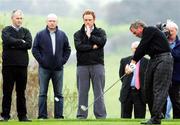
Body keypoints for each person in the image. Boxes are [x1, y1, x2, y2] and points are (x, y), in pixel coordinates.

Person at [126, 20, 173, 124]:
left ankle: (156, 118)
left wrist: (132, 63)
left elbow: (141, 47)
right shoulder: (147, 38)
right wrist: (132, 66)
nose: (135, 35)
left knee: (158, 89)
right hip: (154, 59)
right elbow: (142, 51)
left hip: (164, 59)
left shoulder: (150, 30)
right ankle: (155, 116)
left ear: (140, 28)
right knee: (147, 88)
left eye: (134, 32)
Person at [32, 13, 71, 119]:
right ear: (47, 22)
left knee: (58, 94)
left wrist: (62, 61)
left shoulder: (62, 35)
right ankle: (42, 116)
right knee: (42, 93)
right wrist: (42, 61)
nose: (52, 23)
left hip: (58, 69)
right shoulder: (40, 35)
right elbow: (34, 49)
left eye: (54, 21)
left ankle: (58, 116)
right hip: (44, 68)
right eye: (50, 21)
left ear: (57, 22)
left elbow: (68, 49)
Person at [74, 9, 107, 119]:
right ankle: (81, 115)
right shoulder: (78, 34)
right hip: (82, 66)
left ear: (94, 20)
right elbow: (79, 47)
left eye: (90, 20)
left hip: (98, 65)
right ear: (83, 20)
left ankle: (100, 116)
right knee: (82, 92)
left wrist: (90, 36)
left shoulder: (100, 32)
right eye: (86, 20)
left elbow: (102, 42)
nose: (87, 22)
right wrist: (92, 46)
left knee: (99, 92)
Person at [0, 9, 32, 122]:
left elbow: (29, 44)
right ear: (12, 18)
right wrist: (21, 42)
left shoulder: (26, 31)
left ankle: (22, 116)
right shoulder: (6, 30)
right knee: (7, 92)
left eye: (21, 18)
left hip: (22, 66)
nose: (19, 20)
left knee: (21, 92)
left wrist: (15, 43)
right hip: (9, 66)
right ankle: (4, 115)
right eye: (17, 18)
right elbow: (7, 40)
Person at [119, 41, 148, 118]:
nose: (137, 50)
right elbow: (122, 76)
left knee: (140, 117)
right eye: (135, 48)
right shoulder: (124, 60)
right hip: (127, 92)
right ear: (132, 49)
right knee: (125, 117)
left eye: (139, 48)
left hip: (140, 93)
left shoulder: (147, 62)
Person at [166, 20, 180, 118]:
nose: (169, 33)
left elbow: (177, 56)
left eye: (171, 31)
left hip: (176, 78)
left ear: (176, 31)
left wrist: (166, 46)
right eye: (167, 31)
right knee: (160, 102)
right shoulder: (161, 43)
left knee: (176, 102)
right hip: (162, 77)